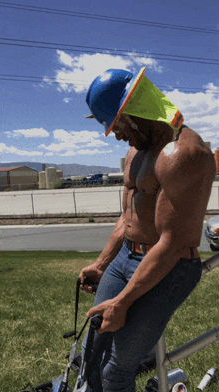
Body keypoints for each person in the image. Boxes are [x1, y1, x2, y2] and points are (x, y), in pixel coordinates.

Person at [77, 67, 216, 392]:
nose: (114, 134)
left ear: (135, 109)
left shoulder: (184, 154)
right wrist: (101, 264)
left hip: (171, 267)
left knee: (116, 370)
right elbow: (127, 220)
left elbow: (172, 244)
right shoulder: (135, 154)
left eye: (116, 124)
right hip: (126, 258)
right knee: (88, 355)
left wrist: (122, 302)